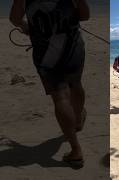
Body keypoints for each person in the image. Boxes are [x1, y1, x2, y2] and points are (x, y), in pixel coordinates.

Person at [10, 0, 90, 167]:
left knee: (60, 97)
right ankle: (77, 121)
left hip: (46, 52)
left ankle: (76, 149)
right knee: (76, 84)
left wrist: (25, 26)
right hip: (72, 46)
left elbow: (15, 17)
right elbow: (85, 15)